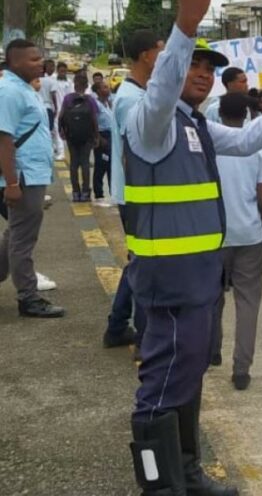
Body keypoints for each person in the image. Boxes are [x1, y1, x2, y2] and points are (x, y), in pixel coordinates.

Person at [124, 0, 262, 496]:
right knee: (163, 383)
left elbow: (246, 140)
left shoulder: (195, 125)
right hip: (169, 277)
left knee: (188, 377)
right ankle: (159, 485)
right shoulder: (152, 124)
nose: (203, 73)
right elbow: (163, 88)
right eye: (193, 63)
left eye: (211, 68)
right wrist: (185, 26)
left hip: (198, 276)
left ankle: (187, 475)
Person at [102, 29, 164, 353]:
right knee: (145, 265)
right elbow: (133, 153)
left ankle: (116, 326)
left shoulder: (135, 93)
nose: (164, 56)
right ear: (145, 56)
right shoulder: (131, 98)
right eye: (160, 50)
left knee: (138, 263)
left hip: (137, 195)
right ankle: (144, 338)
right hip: (137, 195)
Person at [210, 92, 262, 391]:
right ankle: (241, 369)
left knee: (211, 297)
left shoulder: (208, 147)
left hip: (214, 234)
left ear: (218, 114)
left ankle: (212, 350)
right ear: (248, 114)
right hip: (249, 234)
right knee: (248, 302)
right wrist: (257, 215)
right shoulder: (258, 150)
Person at [0, 39, 64, 318]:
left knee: (16, 232)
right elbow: (4, 139)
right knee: (23, 237)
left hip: (33, 173)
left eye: (41, 59)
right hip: (23, 176)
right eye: (33, 59)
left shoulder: (25, 89)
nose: (41, 63)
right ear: (14, 62)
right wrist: (12, 183)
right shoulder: (9, 91)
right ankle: (28, 297)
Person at [59, 72, 99, 202]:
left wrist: (62, 131)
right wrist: (96, 136)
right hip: (87, 137)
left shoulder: (67, 98)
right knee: (85, 163)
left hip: (71, 136)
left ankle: (76, 193)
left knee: (74, 164)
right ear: (86, 85)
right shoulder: (90, 100)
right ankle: (86, 192)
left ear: (74, 85)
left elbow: (61, 116)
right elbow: (94, 119)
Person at [92, 81, 114, 206]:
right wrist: (99, 138)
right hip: (102, 136)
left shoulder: (108, 103)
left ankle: (113, 192)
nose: (108, 88)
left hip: (111, 136)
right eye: (105, 87)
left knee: (111, 165)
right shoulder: (96, 104)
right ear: (98, 91)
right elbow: (93, 121)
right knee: (101, 166)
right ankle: (99, 193)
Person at [53, 61, 73, 160]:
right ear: (57, 71)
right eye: (61, 71)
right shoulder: (53, 80)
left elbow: (71, 96)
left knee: (62, 130)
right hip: (55, 109)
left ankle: (62, 151)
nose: (63, 73)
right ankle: (58, 149)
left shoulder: (69, 82)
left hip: (65, 109)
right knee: (55, 130)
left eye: (64, 71)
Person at [39, 59, 58, 143]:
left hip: (37, 108)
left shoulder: (33, 80)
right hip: (48, 108)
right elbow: (53, 95)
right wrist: (56, 108)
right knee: (48, 130)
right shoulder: (51, 81)